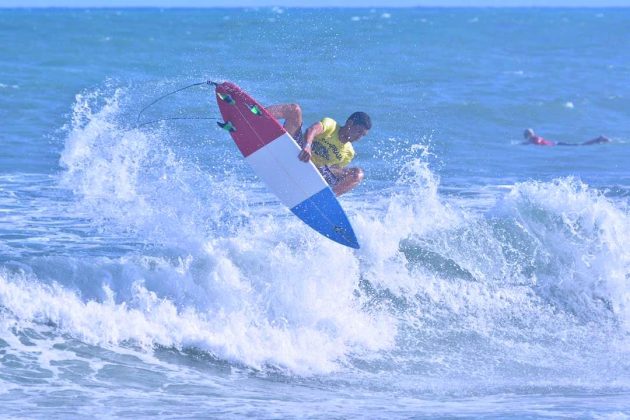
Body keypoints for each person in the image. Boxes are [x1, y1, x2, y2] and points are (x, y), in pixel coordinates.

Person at [266, 103, 371, 196]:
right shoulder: (331, 126)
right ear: (349, 123)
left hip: (313, 172)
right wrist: (307, 146)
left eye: (363, 135)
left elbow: (333, 170)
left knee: (357, 174)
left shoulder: (349, 153)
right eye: (358, 131)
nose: (359, 137)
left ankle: (328, 198)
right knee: (294, 109)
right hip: (298, 150)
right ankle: (255, 115)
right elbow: (312, 130)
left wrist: (331, 171)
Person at [523, 128, 610, 147]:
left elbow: (539, 143)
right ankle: (598, 140)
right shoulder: (533, 139)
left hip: (556, 144)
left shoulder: (534, 139)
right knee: (579, 144)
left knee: (579, 145)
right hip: (556, 143)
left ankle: (598, 139)